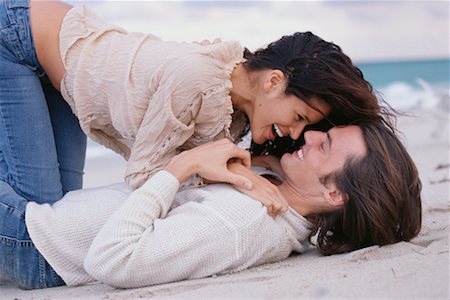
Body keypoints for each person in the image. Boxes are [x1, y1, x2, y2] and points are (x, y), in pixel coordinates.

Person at [0, 0, 388, 204]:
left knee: (56, 210)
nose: (297, 131)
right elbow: (143, 175)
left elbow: (194, 158)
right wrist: (243, 178)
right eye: (300, 116)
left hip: (60, 61)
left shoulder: (236, 108)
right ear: (273, 81)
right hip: (19, 38)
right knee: (34, 213)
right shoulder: (198, 80)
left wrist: (264, 164)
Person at [0, 122, 422, 290]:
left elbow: (113, 261)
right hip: (46, 217)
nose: (310, 135)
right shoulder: (277, 194)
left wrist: (181, 167)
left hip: (35, 240)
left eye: (324, 145)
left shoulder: (242, 222)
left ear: (335, 195)